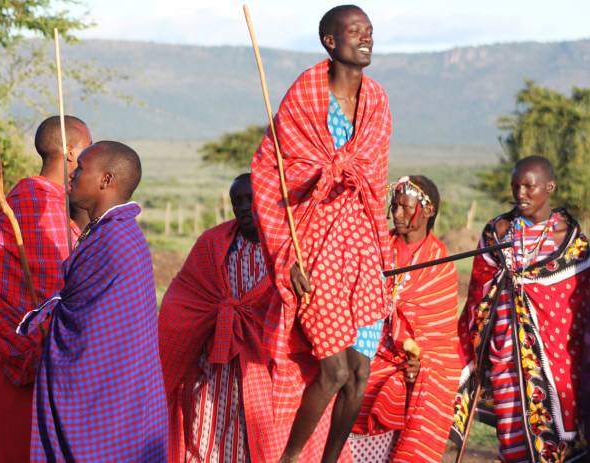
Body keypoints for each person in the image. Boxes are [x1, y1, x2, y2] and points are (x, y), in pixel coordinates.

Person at [251, 5, 392, 462]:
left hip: (363, 248)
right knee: (333, 369)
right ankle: (291, 458)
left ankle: (331, 460)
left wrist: (381, 248)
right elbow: (271, 173)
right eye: (355, 32)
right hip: (313, 244)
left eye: (369, 31)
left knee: (361, 370)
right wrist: (286, 256)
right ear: (330, 41)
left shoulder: (378, 102)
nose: (365, 38)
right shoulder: (306, 97)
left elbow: (376, 176)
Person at [17, 141, 168, 462]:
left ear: (106, 180)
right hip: (123, 393)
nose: (72, 174)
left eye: (82, 167)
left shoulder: (115, 240)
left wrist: (55, 323)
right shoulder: (109, 232)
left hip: (109, 394)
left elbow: (91, 331)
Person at [454, 156, 589, 462]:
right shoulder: (497, 234)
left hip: (558, 368)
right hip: (505, 357)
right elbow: (478, 295)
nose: (521, 194)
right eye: (516, 186)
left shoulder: (572, 245)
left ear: (549, 187)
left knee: (555, 448)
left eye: (529, 186)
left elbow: (580, 312)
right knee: (512, 445)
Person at [0, 115, 91, 463]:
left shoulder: (28, 202)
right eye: (86, 151)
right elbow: (66, 291)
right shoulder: (41, 207)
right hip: (34, 369)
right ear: (70, 153)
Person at [159, 173, 277, 462]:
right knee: (205, 430)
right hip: (215, 362)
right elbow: (184, 296)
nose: (244, 207)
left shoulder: (282, 249)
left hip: (262, 362)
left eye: (251, 198)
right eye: (237, 201)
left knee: (258, 437)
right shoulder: (214, 244)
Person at [348, 176, 462, 462]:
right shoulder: (378, 248)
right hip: (368, 351)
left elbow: (438, 339)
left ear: (429, 210)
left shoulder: (441, 265)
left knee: (402, 389)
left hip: (413, 364)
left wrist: (418, 363)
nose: (397, 214)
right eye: (395, 206)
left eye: (405, 208)